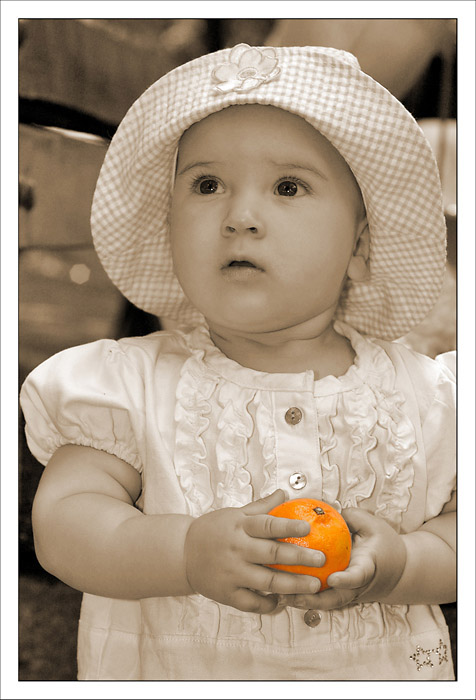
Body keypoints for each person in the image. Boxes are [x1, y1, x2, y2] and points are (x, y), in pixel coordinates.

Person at [20, 43, 456, 681]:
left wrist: (405, 565)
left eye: (287, 186)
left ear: (360, 243)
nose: (240, 217)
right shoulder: (129, 385)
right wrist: (184, 552)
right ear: (170, 231)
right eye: (206, 184)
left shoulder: (430, 396)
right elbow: (63, 523)